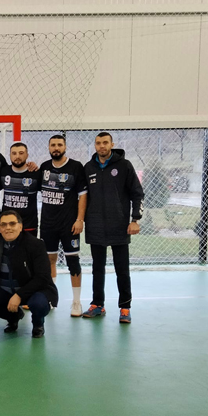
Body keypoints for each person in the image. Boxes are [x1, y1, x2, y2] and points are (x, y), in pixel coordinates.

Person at [82, 132, 144, 324]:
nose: (102, 146)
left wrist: (135, 219)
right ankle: (97, 305)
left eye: (105, 142)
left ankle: (125, 308)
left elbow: (137, 193)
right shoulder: (88, 168)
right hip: (95, 226)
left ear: (112, 144)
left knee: (122, 269)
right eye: (98, 143)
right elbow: (82, 196)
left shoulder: (124, 166)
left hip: (119, 226)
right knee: (97, 268)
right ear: (95, 146)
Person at [0, 210, 58, 338]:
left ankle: (38, 324)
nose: (8, 228)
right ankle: (13, 317)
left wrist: (19, 295)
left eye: (12, 224)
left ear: (21, 226)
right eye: (4, 225)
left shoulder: (36, 245)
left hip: (34, 291)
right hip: (5, 291)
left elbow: (43, 278)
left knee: (38, 304)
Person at [39, 134, 88, 317]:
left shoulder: (75, 167)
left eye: (59, 144)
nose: (56, 148)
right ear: (49, 147)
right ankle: (51, 298)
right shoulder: (44, 167)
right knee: (49, 261)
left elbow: (83, 195)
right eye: (53, 145)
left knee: (73, 262)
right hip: (47, 224)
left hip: (69, 224)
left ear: (65, 147)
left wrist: (80, 219)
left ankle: (76, 302)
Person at [1, 142, 40, 234]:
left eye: (21, 153)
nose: (17, 156)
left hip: (29, 225)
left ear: (27, 155)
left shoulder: (36, 174)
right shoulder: (3, 172)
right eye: (14, 153)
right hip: (7, 225)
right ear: (10, 155)